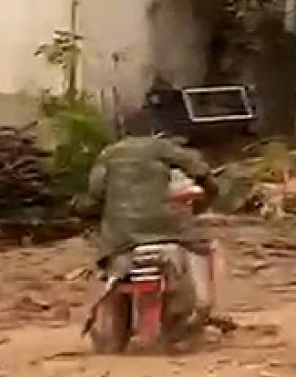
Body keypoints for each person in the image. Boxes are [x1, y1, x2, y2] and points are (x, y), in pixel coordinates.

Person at [85, 134, 219, 334]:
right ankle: (194, 315)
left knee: (106, 268)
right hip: (167, 232)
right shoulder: (163, 148)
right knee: (202, 249)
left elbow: (95, 193)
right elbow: (200, 170)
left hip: (121, 239)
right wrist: (208, 191)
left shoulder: (108, 154)